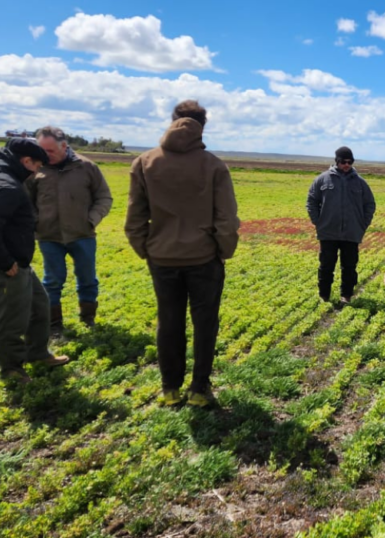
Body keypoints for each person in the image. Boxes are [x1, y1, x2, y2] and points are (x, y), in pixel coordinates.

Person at [125, 100, 240, 407]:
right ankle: (199, 390)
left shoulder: (145, 162)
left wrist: (148, 250)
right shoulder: (213, 165)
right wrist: (222, 252)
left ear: (173, 120)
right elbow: (226, 219)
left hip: (162, 259)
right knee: (205, 325)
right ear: (203, 125)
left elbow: (135, 218)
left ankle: (169, 389)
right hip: (204, 259)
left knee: (169, 322)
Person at [0, 139, 70, 384]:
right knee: (10, 320)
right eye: (36, 165)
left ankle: (37, 353)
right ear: (26, 161)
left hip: (19, 263)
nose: (37, 171)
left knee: (39, 306)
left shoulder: (3, 179)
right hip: (5, 267)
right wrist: (5, 261)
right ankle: (12, 369)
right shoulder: (6, 186)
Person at [26, 126, 113, 336]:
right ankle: (54, 326)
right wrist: (37, 222)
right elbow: (26, 201)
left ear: (64, 146)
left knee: (87, 279)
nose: (44, 155)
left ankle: (88, 318)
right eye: (41, 150)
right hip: (49, 236)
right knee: (52, 281)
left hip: (82, 235)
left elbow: (104, 197)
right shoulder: (35, 170)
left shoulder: (87, 167)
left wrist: (91, 221)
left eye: (50, 151)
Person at [306, 146, 376, 304]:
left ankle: (346, 295)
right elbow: (311, 201)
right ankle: (324, 295)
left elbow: (369, 204)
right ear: (336, 161)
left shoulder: (360, 182)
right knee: (326, 266)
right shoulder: (322, 179)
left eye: (350, 162)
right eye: (343, 162)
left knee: (349, 267)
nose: (347, 165)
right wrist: (318, 222)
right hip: (328, 232)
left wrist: (362, 225)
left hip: (351, 233)